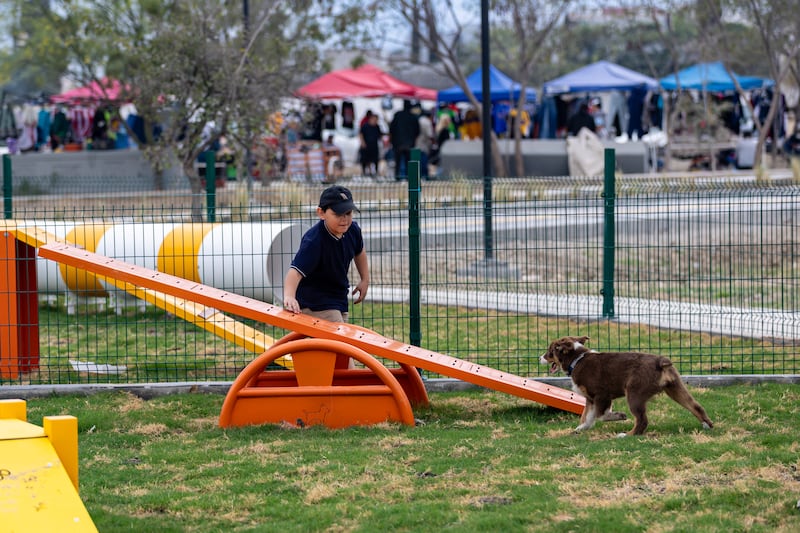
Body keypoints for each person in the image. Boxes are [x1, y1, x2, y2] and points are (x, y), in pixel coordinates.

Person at [283, 185, 369, 324]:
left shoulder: (353, 230)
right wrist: (289, 296)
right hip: (314, 302)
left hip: (338, 298)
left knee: (338, 339)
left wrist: (365, 279)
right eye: (338, 214)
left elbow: (359, 251)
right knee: (339, 339)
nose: (344, 219)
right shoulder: (314, 241)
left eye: (348, 213)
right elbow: (295, 272)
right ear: (321, 213)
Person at [389, 99, 420, 180]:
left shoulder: (397, 115)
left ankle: (397, 178)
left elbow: (391, 129)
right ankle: (408, 178)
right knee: (409, 163)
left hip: (398, 143)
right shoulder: (413, 117)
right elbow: (417, 131)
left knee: (398, 162)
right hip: (409, 144)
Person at [358, 111, 382, 177]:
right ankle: (364, 172)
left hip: (374, 146)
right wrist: (362, 142)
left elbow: (380, 135)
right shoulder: (365, 126)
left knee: (375, 160)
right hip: (366, 146)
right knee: (365, 160)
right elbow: (360, 134)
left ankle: (376, 172)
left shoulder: (377, 127)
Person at [415, 106, 434, 180]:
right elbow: (430, 135)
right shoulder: (427, 122)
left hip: (416, 144)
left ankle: (418, 177)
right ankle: (425, 177)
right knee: (424, 162)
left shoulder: (419, 120)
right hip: (424, 145)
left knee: (417, 163)